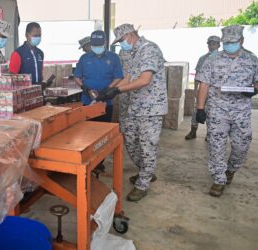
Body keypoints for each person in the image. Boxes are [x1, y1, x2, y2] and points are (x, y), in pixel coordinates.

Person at [98, 23, 168, 201]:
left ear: (130, 35)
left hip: (151, 108)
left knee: (147, 146)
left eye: (121, 40)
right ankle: (146, 170)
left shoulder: (149, 49)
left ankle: (143, 183)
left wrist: (118, 91)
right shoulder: (133, 52)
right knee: (129, 140)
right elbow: (128, 77)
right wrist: (109, 90)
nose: (121, 44)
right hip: (134, 106)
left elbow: (145, 80)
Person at [196, 25, 258, 197]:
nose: (229, 45)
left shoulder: (252, 60)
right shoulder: (213, 59)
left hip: (241, 110)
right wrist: (200, 108)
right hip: (218, 109)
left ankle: (231, 169)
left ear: (241, 41)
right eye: (226, 42)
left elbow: (257, 81)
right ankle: (218, 179)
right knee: (216, 145)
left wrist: (255, 89)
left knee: (242, 144)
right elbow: (204, 85)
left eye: (233, 42)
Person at [74, 30, 123, 122]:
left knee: (104, 128)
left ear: (105, 43)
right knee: (88, 129)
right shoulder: (84, 58)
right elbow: (77, 76)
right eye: (95, 45)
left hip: (106, 101)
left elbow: (118, 77)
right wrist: (84, 88)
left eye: (99, 45)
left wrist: (108, 89)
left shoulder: (114, 57)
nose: (97, 48)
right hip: (88, 101)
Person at [185, 35, 220, 140]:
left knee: (212, 113)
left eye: (214, 43)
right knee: (197, 111)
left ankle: (210, 134)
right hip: (203, 90)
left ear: (219, 45)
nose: (212, 46)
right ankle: (193, 131)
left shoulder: (223, 58)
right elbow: (197, 75)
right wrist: (196, 89)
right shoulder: (203, 58)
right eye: (210, 43)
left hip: (216, 92)